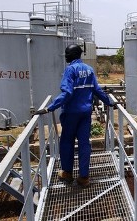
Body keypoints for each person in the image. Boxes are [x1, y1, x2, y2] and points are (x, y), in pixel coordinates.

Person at [35, 44, 115, 187]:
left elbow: (67, 93)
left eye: (67, 54)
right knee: (84, 143)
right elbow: (97, 90)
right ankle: (84, 177)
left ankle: (67, 173)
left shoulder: (70, 70)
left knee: (67, 142)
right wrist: (109, 102)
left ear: (73, 55)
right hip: (85, 113)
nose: (65, 56)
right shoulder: (89, 70)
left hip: (71, 113)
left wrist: (50, 108)